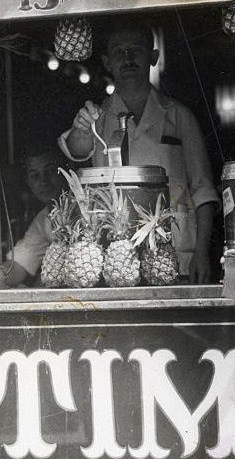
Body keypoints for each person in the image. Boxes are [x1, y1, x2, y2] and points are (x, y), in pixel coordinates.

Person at [59, 23, 219, 282]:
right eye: (119, 52)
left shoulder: (179, 116)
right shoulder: (95, 117)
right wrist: (81, 128)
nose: (128, 58)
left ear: (153, 58)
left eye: (136, 50)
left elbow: (203, 190)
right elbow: (77, 150)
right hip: (115, 255)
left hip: (174, 252)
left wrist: (202, 251)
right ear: (107, 62)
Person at [2, 147, 67, 286]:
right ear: (28, 182)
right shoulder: (44, 218)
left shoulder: (83, 209)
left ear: (64, 172)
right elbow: (18, 265)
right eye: (35, 175)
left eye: (49, 171)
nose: (44, 181)